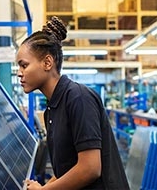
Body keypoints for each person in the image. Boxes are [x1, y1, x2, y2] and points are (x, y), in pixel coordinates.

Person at [16, 16, 130, 189]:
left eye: (24, 65)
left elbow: (90, 168)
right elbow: (67, 167)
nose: (19, 73)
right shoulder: (52, 109)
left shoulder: (79, 98)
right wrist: (45, 186)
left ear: (47, 62)